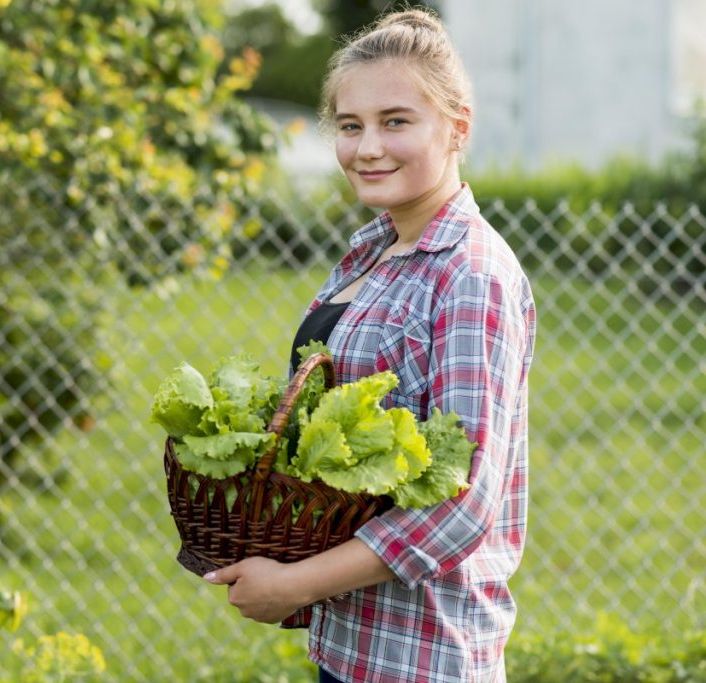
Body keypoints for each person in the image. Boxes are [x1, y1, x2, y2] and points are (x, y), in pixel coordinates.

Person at [203, 8, 537, 683]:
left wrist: (296, 583)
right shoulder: (373, 252)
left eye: (396, 121)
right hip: (352, 646)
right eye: (350, 126)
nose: (367, 147)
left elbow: (459, 506)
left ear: (457, 127)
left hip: (424, 655)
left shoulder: (470, 274)